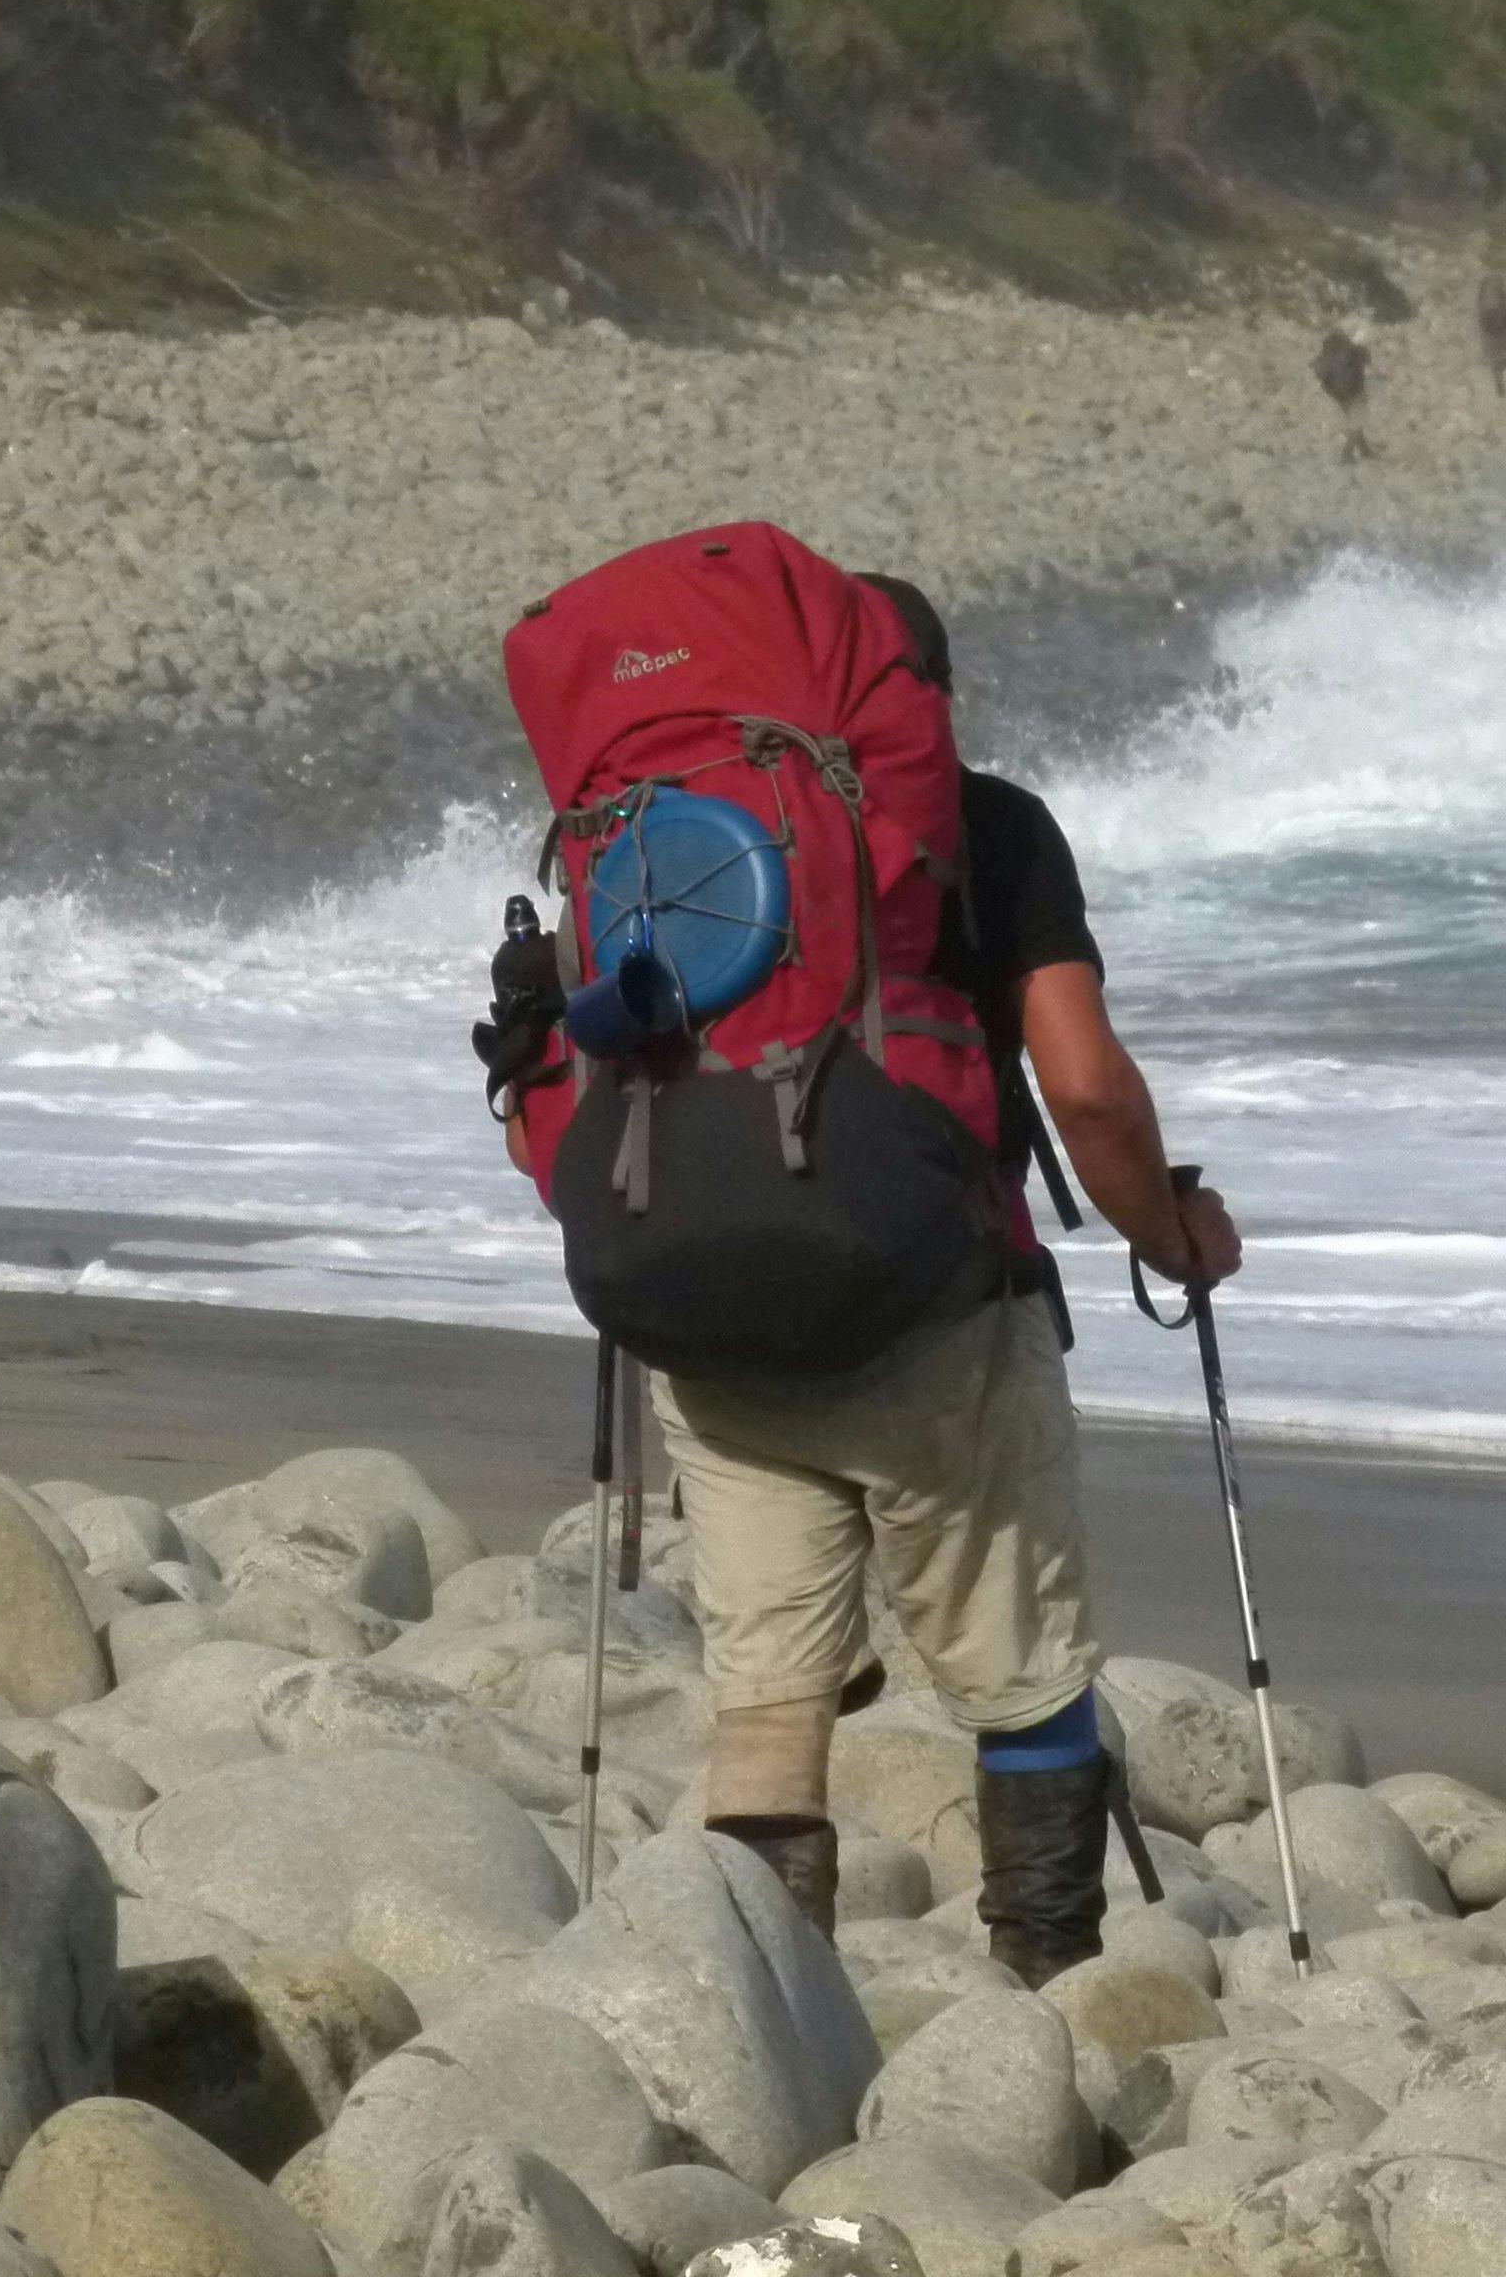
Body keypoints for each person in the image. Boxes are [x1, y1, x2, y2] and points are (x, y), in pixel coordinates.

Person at [499, 575, 1243, 1983]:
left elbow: (566, 1093)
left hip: (708, 1320)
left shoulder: (647, 841)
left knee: (768, 1698)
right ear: (921, 699)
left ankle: (771, 2023)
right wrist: (1173, 1236)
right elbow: (1084, 1092)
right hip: (936, 1319)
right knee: (1024, 1677)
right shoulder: (987, 826)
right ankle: (1045, 1989)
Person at [1313, 328, 1373, 459]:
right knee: (1357, 421)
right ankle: (1347, 452)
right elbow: (1368, 367)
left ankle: (1365, 450)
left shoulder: (1328, 354)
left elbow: (1319, 372)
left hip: (1335, 392)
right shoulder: (1358, 352)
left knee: (1351, 420)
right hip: (1354, 389)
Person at [1476, 274, 1506, 400]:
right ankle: (1500, 389)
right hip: (1493, 338)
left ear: (1501, 297)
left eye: (1493, 296)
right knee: (1496, 365)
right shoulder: (1483, 311)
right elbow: (1482, 330)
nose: (1491, 300)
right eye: (1487, 297)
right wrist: (1484, 347)